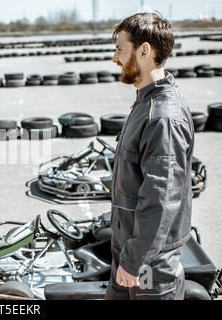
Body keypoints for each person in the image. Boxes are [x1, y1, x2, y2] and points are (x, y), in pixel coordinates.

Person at [105, 12, 194, 300]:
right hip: (130, 250)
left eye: (120, 48)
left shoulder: (163, 117)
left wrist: (134, 262)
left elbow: (161, 199)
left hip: (148, 265)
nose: (114, 58)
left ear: (144, 50)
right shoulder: (146, 102)